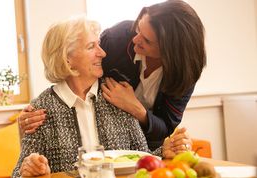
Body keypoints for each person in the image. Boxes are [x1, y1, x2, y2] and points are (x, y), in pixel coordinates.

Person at [12, 17, 191, 177]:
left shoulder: (117, 95)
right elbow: (20, 172)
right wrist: (32, 170)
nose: (103, 53)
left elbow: (141, 157)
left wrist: (164, 151)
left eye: (99, 44)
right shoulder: (41, 109)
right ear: (68, 59)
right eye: (92, 46)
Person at [18, 0, 205, 151]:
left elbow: (162, 130)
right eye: (138, 28)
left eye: (146, 40)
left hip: (145, 142)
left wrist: (135, 108)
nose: (135, 39)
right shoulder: (117, 40)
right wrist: (29, 116)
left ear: (169, 51)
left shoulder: (185, 72)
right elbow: (77, 70)